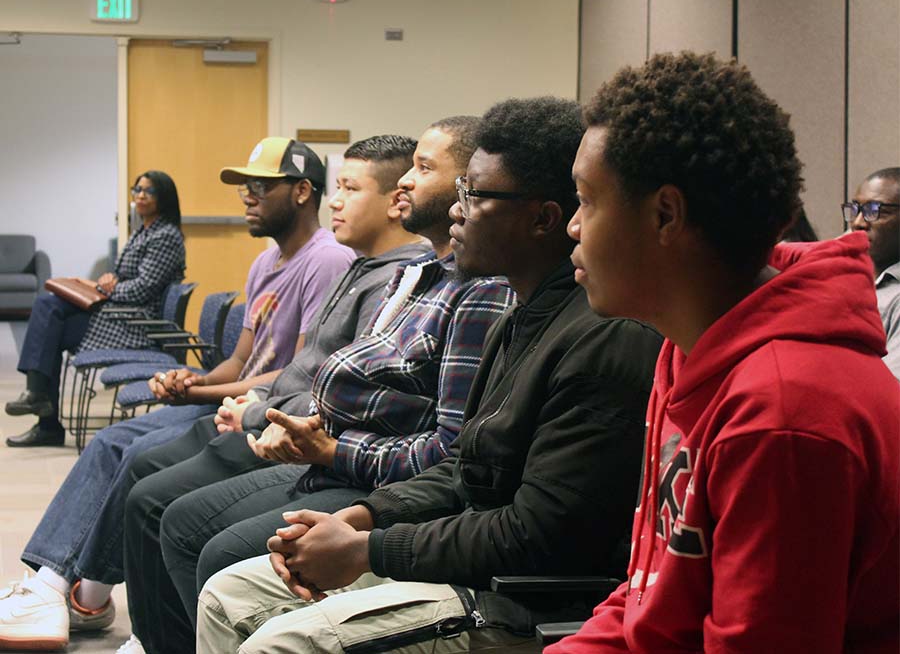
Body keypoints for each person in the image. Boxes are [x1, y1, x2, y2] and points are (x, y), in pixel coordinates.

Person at [194, 97, 663, 654]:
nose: (456, 212)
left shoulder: (605, 338)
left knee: (284, 644)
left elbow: (536, 535)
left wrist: (370, 548)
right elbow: (466, 465)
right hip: (469, 559)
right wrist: (364, 514)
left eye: (476, 195)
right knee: (228, 595)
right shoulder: (519, 316)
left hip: (522, 599)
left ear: (543, 219)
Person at [546, 52, 900, 652]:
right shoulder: (692, 350)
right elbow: (649, 594)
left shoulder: (784, 411)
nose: (574, 227)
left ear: (665, 215)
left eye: (586, 199)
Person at [120, 117, 514, 654]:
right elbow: (324, 370)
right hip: (314, 439)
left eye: (423, 169)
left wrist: (314, 439)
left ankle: (76, 589)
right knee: (147, 482)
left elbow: (448, 449)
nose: (405, 184)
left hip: (360, 468)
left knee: (195, 534)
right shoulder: (413, 272)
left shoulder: (477, 290)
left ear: (470, 192)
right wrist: (284, 420)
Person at [0, 137, 357, 651]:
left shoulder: (326, 261)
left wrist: (204, 396)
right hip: (231, 398)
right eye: (244, 189)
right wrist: (194, 382)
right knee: (111, 441)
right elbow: (241, 361)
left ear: (302, 191)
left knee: (141, 456)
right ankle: (60, 588)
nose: (247, 198)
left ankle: (81, 592)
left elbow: (290, 376)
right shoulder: (266, 264)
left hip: (260, 410)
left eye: (260, 187)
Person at [5, 170, 186, 447]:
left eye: (147, 191)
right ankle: (39, 400)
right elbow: (128, 279)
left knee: (48, 328)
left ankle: (44, 414)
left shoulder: (166, 236)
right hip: (118, 315)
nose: (139, 195)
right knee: (48, 307)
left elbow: (142, 289)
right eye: (136, 189)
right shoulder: (145, 231)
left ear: (164, 197)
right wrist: (110, 279)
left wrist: (105, 289)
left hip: (135, 325)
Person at [846, 167, 900, 379]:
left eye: (874, 210)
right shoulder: (844, 277)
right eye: (855, 209)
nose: (858, 223)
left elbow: (891, 394)